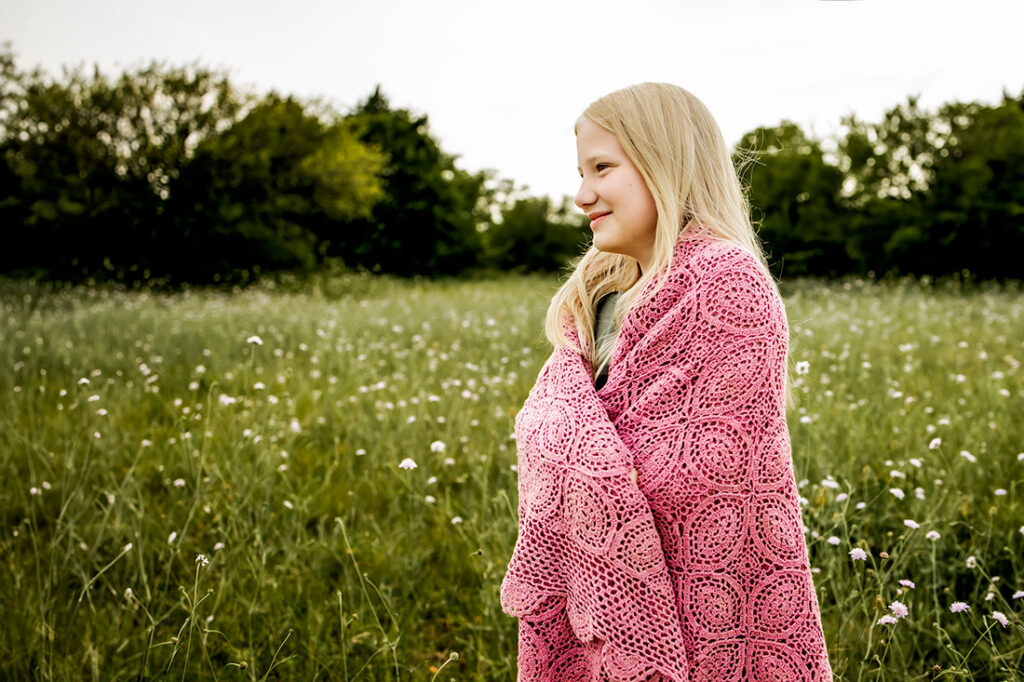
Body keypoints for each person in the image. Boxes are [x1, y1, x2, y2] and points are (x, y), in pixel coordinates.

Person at [500, 83, 833, 680]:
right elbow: (561, 426)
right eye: (580, 171)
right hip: (591, 600)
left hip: (696, 604)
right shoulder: (596, 299)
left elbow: (710, 466)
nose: (582, 194)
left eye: (602, 167)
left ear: (664, 162)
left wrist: (580, 464)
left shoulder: (725, 282)